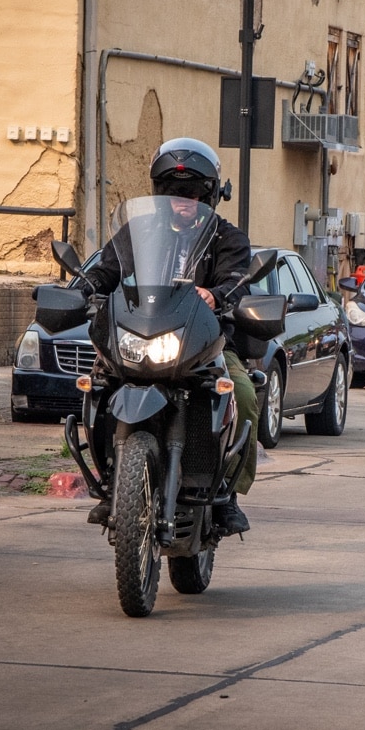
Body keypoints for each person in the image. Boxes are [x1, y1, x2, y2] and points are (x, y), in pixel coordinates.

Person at [80, 137, 257, 536]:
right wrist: (84, 286)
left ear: (209, 195)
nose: (185, 199)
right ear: (161, 193)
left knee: (242, 395)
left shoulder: (227, 238)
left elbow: (238, 279)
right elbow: (108, 268)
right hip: (140, 334)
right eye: (176, 192)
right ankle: (112, 481)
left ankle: (228, 493)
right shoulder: (138, 229)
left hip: (203, 342)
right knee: (97, 388)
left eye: (194, 192)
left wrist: (219, 294)